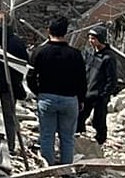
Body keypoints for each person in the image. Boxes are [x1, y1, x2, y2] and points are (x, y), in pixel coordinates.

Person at [27, 16, 84, 165]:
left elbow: (30, 76)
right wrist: (81, 99)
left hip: (47, 97)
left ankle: (48, 171)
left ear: (48, 31)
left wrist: (38, 92)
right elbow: (82, 80)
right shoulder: (75, 54)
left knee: (47, 136)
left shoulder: (39, 52)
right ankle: (66, 170)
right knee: (67, 138)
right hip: (70, 99)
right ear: (66, 33)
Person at [0, 9, 29, 149]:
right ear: (9, 22)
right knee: (8, 118)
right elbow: (25, 63)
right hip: (9, 86)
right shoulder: (16, 42)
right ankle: (9, 147)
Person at [78, 25, 119, 145]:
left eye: (93, 39)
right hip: (88, 92)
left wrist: (104, 94)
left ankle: (100, 141)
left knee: (99, 120)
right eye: (90, 38)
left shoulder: (108, 57)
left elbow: (112, 79)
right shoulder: (90, 55)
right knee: (80, 117)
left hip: (100, 95)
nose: (91, 41)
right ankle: (80, 139)